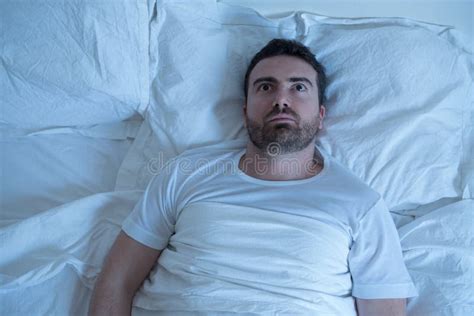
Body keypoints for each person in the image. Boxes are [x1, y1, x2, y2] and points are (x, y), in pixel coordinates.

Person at [89, 39, 418, 315]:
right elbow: (117, 281)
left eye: (298, 87)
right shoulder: (184, 174)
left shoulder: (360, 204)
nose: (281, 99)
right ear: (245, 109)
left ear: (320, 116)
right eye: (266, 86)